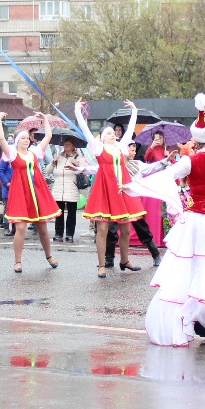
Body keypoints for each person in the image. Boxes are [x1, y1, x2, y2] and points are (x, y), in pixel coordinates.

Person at [124, 95, 205, 346]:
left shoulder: (190, 161)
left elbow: (166, 176)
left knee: (191, 266)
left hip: (196, 219)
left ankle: (187, 317)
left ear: (195, 139)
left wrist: (135, 187)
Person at [75, 99, 147, 278]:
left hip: (121, 190)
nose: (112, 134)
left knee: (126, 229)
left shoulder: (121, 148)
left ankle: (124, 260)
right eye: (108, 133)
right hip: (104, 191)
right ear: (102, 137)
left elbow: (130, 129)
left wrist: (134, 111)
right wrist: (77, 111)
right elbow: (85, 130)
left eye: (113, 132)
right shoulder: (98, 149)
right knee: (102, 229)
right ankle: (101, 265)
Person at [0, 112, 61, 273]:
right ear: (17, 141)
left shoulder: (35, 152)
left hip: (36, 192)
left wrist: (44, 120)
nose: (26, 139)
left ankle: (49, 255)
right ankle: (17, 261)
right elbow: (1, 139)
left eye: (27, 138)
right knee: (21, 228)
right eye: (23, 138)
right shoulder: (12, 153)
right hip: (20, 192)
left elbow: (48, 136)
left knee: (42, 227)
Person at [105, 140, 164, 268]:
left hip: (132, 200)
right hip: (117, 201)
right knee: (112, 229)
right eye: (131, 148)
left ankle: (155, 254)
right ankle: (109, 259)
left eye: (134, 148)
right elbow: (96, 169)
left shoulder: (137, 164)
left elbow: (153, 167)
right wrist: (80, 169)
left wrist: (166, 160)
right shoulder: (115, 165)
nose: (134, 151)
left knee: (142, 227)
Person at [50, 137, 87, 243]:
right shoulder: (58, 157)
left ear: (73, 146)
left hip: (71, 188)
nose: (66, 146)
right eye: (65, 144)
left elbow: (84, 170)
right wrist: (53, 162)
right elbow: (49, 171)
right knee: (59, 213)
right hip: (58, 188)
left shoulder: (78, 157)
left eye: (68, 144)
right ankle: (58, 233)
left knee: (71, 213)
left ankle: (70, 234)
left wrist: (78, 164)